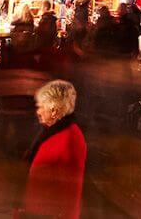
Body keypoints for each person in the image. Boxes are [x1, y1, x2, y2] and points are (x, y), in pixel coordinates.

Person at [21, 80, 86, 219]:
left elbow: (72, 190)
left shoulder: (70, 138)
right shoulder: (50, 133)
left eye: (40, 107)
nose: (37, 112)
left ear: (54, 110)